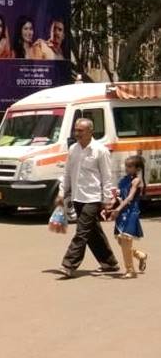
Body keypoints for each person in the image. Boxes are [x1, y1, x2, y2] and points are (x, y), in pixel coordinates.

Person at [56, 118, 120, 277]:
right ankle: (109, 263)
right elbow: (67, 173)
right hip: (78, 197)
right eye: (76, 130)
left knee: (82, 231)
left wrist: (106, 200)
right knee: (92, 232)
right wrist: (62, 193)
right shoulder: (73, 149)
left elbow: (107, 177)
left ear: (90, 131)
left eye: (80, 131)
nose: (77, 134)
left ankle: (69, 264)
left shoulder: (100, 150)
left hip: (93, 197)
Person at [108, 155, 149, 279]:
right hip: (122, 212)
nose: (127, 168)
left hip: (131, 212)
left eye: (130, 166)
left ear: (137, 168)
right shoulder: (123, 180)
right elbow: (118, 195)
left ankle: (130, 270)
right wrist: (110, 204)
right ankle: (140, 255)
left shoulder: (136, 180)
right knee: (121, 241)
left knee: (125, 240)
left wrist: (118, 209)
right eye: (126, 166)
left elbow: (130, 197)